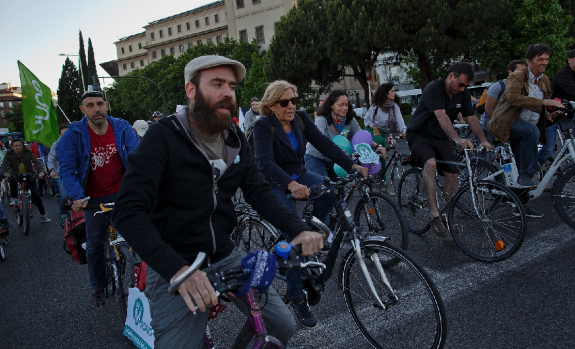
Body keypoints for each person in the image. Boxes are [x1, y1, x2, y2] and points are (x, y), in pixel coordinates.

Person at [112, 56, 324, 348]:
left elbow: (258, 191)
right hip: (177, 263)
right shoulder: (163, 137)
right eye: (217, 84)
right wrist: (178, 270)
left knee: (282, 327)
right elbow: (127, 211)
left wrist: (297, 227)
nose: (228, 93)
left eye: (232, 86)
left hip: (226, 254)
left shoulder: (235, 136)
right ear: (190, 90)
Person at [254, 80, 367, 328]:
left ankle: (313, 235)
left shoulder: (302, 118)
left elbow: (324, 144)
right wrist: (290, 185)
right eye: (285, 102)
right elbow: (264, 162)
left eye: (294, 100)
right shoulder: (263, 125)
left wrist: (352, 165)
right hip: (274, 181)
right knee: (293, 232)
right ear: (271, 105)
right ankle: (296, 296)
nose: (291, 106)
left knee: (331, 192)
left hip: (299, 172)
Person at [57, 87, 140, 307]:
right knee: (94, 243)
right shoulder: (74, 134)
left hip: (122, 193)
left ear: (107, 106)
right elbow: (68, 170)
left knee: (136, 236)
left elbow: (138, 158)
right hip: (92, 198)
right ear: (82, 109)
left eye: (100, 104)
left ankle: (139, 280)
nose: (96, 109)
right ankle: (97, 286)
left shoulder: (122, 127)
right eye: (90, 105)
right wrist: (76, 196)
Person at [407, 62, 492, 237]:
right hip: (420, 134)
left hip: (439, 137)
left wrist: (483, 139)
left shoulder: (463, 94)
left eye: (466, 86)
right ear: (451, 76)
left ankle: (447, 214)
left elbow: (471, 116)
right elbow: (441, 115)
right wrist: (457, 138)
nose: (462, 89)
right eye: (461, 84)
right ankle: (434, 214)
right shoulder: (434, 88)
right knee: (430, 163)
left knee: (453, 173)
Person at [487, 44, 565, 217]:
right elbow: (514, 99)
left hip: (526, 127)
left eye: (546, 59)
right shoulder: (517, 76)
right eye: (540, 59)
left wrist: (549, 116)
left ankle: (521, 206)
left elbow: (538, 105)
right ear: (529, 61)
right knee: (531, 133)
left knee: (519, 168)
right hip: (508, 122)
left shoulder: (544, 80)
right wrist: (546, 103)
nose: (544, 62)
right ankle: (527, 175)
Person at [305, 89, 386, 181]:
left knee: (340, 190)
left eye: (346, 105)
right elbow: (319, 141)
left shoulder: (350, 120)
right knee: (323, 187)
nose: (344, 108)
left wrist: (377, 147)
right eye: (341, 105)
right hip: (316, 157)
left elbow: (361, 136)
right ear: (331, 105)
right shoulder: (322, 119)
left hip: (336, 158)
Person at [364, 82, 407, 195]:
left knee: (383, 160)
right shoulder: (376, 105)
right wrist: (373, 127)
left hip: (382, 133)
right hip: (371, 131)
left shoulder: (394, 106)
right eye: (392, 91)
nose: (394, 93)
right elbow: (367, 119)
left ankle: (383, 186)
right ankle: (367, 182)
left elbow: (400, 120)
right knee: (372, 157)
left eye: (394, 91)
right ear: (385, 93)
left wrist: (404, 131)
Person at [1, 138, 51, 222]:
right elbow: (4, 165)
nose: (18, 147)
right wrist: (5, 173)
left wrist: (41, 172)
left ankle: (43, 214)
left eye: (20, 145)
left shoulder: (28, 152)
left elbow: (37, 163)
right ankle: (14, 198)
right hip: (14, 173)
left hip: (29, 174)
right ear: (12, 147)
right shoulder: (9, 153)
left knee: (36, 195)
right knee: (12, 181)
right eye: (16, 146)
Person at [480, 60, 528, 146]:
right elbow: (488, 109)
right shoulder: (498, 86)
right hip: (489, 126)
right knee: (485, 154)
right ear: (510, 72)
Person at [47, 123, 70, 225]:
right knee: (64, 196)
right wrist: (52, 170)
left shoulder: (77, 142)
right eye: (63, 134)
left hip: (79, 173)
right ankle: (63, 213)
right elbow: (51, 158)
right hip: (64, 174)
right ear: (60, 135)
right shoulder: (56, 144)